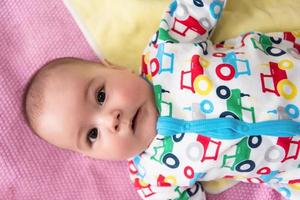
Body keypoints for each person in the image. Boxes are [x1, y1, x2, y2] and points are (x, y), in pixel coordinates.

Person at [24, 0, 300, 199]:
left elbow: (194, 8)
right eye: (92, 134)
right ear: (93, 156)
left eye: (100, 96)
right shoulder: (153, 179)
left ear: (116, 68)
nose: (111, 119)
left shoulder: (166, 52)